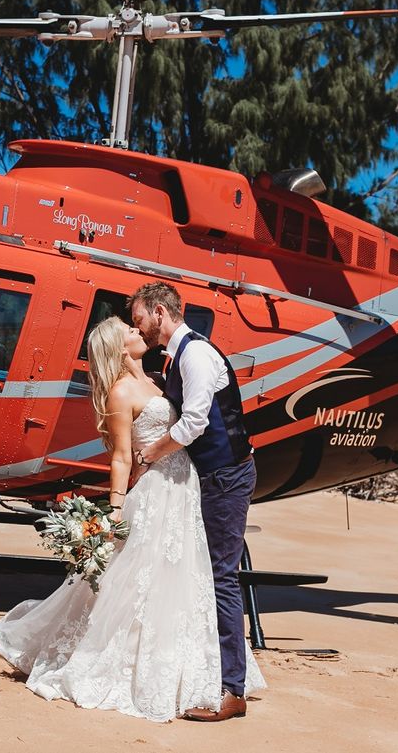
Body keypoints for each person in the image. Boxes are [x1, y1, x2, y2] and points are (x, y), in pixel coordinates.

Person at [0, 316, 264, 723]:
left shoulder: (158, 378)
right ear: (119, 348)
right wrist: (115, 509)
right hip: (157, 488)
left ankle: (195, 665)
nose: (138, 332)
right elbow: (120, 456)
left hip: (185, 484)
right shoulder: (120, 392)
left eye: (137, 326)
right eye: (129, 331)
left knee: (184, 576)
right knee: (144, 578)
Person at [131, 281, 257, 722]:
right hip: (210, 477)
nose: (138, 326)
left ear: (160, 313)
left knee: (221, 577)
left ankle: (233, 691)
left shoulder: (198, 355)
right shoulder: (176, 357)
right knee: (201, 573)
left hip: (226, 476)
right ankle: (208, 672)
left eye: (140, 318)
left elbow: (193, 424)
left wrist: (149, 454)